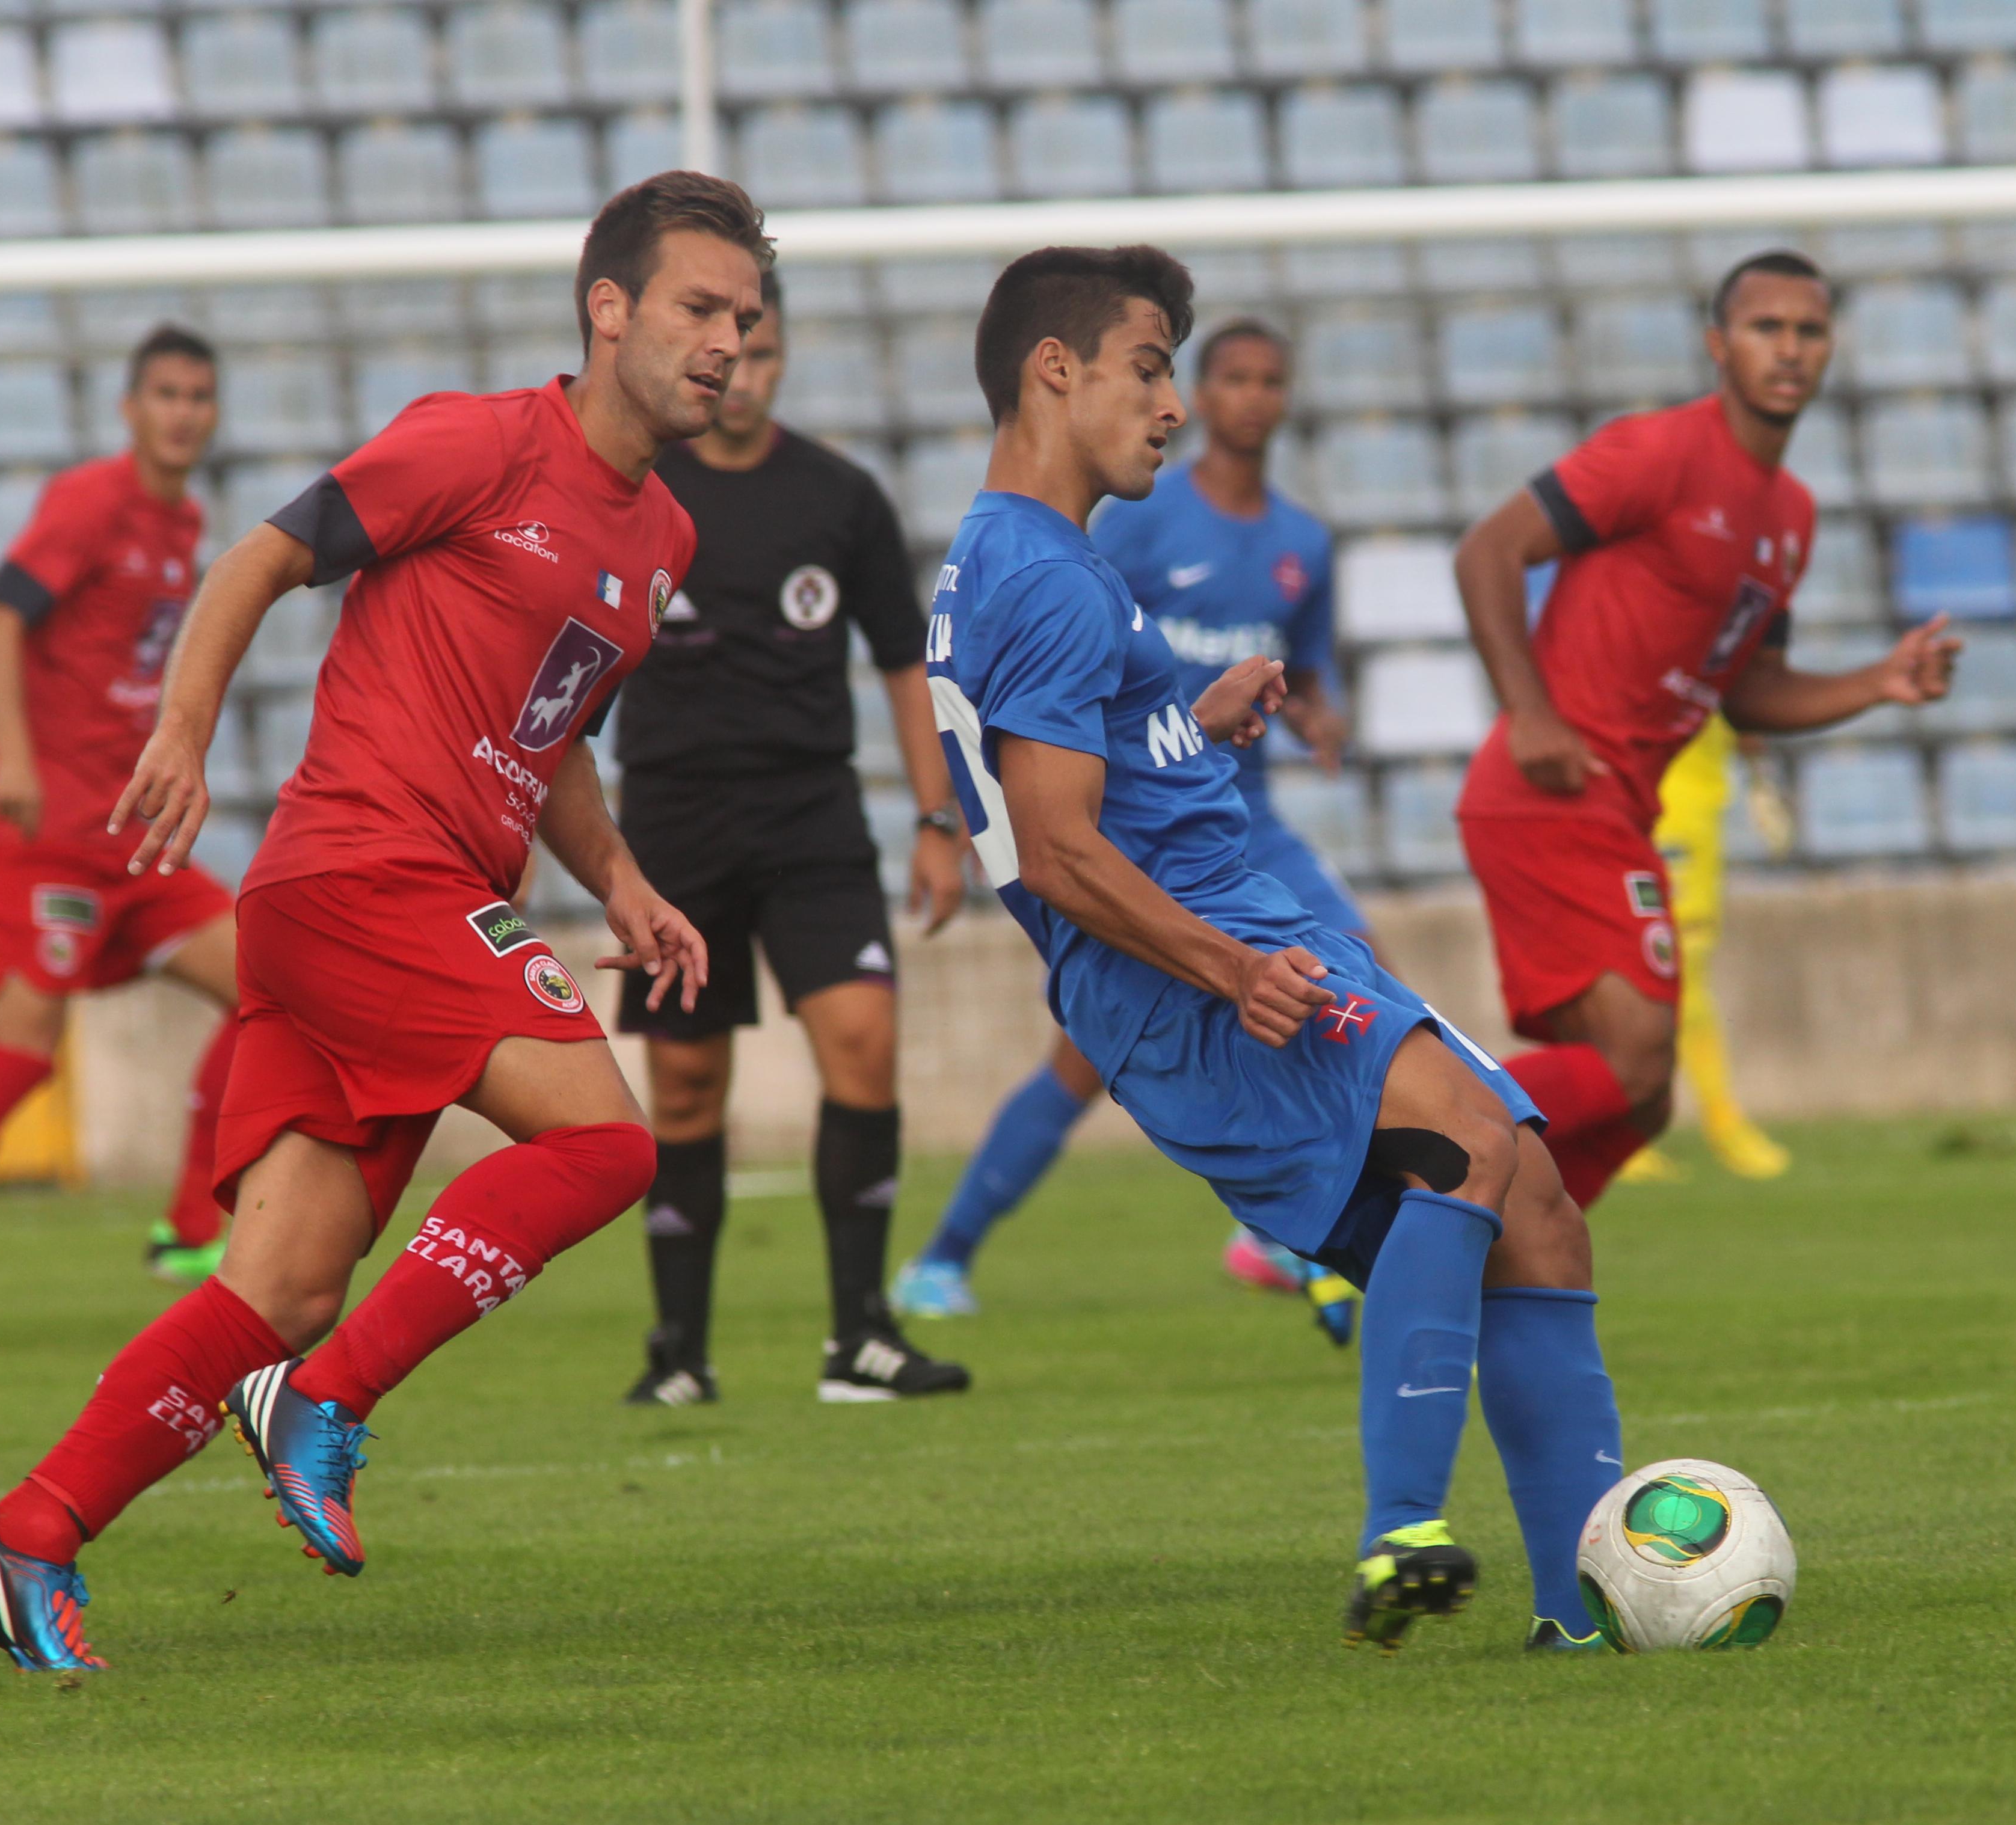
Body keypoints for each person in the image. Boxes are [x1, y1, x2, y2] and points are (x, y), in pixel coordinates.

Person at [0, 172, 763, 1672]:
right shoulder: (476, 439)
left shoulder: (665, 542)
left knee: (283, 1286)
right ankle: (329, 1397)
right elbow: (262, 556)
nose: (729, 343)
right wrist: (181, 733)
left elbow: (550, 730)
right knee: (609, 1144)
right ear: (609, 310)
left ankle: (28, 1534)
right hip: (364, 875)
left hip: (404, 900)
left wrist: (624, 883)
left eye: (750, 320)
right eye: (701, 309)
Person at [929, 244, 1627, 1654]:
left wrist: (1193, 709)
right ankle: (1402, 1536)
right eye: (1148, 366)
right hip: (1201, 965)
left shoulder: (1022, 559)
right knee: (1469, 1149)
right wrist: (1233, 970)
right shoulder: (1053, 578)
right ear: (1051, 371)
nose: (1171, 405)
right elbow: (1058, 847)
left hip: (1230, 927)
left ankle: (1584, 1614)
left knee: (1537, 1206)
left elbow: (1068, 772)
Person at [1451, 251, 1962, 1210]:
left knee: (1641, 1102)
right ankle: (1403, 1140)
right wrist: (1531, 712)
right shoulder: (1658, 453)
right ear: (1718, 346)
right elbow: (1490, 550)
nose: (1790, 350)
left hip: (1612, 812)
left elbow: (1749, 692)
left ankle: (1493, 1249)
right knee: (1639, 1063)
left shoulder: (1791, 515)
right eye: (1767, 327)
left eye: (1809, 331)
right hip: (1550, 796)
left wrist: (1879, 681)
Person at [891, 317, 1363, 1340]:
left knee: (1346, 983)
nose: (1243, 399)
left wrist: (1311, 711)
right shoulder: (1129, 524)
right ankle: (946, 1251)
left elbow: (1311, 667)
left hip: (1241, 818)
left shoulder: (1301, 543)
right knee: (1090, 1058)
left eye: (1267, 381)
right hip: (1138, 824)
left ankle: (1304, 1231)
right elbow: (1073, 680)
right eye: (1225, 377)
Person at [613, 266, 973, 1410]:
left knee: (862, 1041)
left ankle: (860, 1336)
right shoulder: (638, 488)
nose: (741, 370)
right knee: (683, 1084)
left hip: (811, 814)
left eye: (761, 350)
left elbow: (904, 662)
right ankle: (679, 1348)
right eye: (727, 346)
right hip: (674, 815)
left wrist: (936, 817)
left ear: (778, 360)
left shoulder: (840, 497)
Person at [0, 328, 242, 1360]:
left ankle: (191, 1229)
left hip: (129, 830)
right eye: (165, 392)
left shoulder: (185, 521)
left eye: (200, 395)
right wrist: (17, 758)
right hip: (46, 834)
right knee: (24, 1052)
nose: (183, 411)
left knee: (271, 985)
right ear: (131, 406)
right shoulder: (91, 500)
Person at [1614, 713, 1796, 1183]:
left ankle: (1713, 1121)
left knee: (1682, 970)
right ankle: (1637, 1131)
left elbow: (1747, 699)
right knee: (1655, 968)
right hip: (1660, 816)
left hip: (1697, 817)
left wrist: (1761, 778)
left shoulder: (1718, 647)